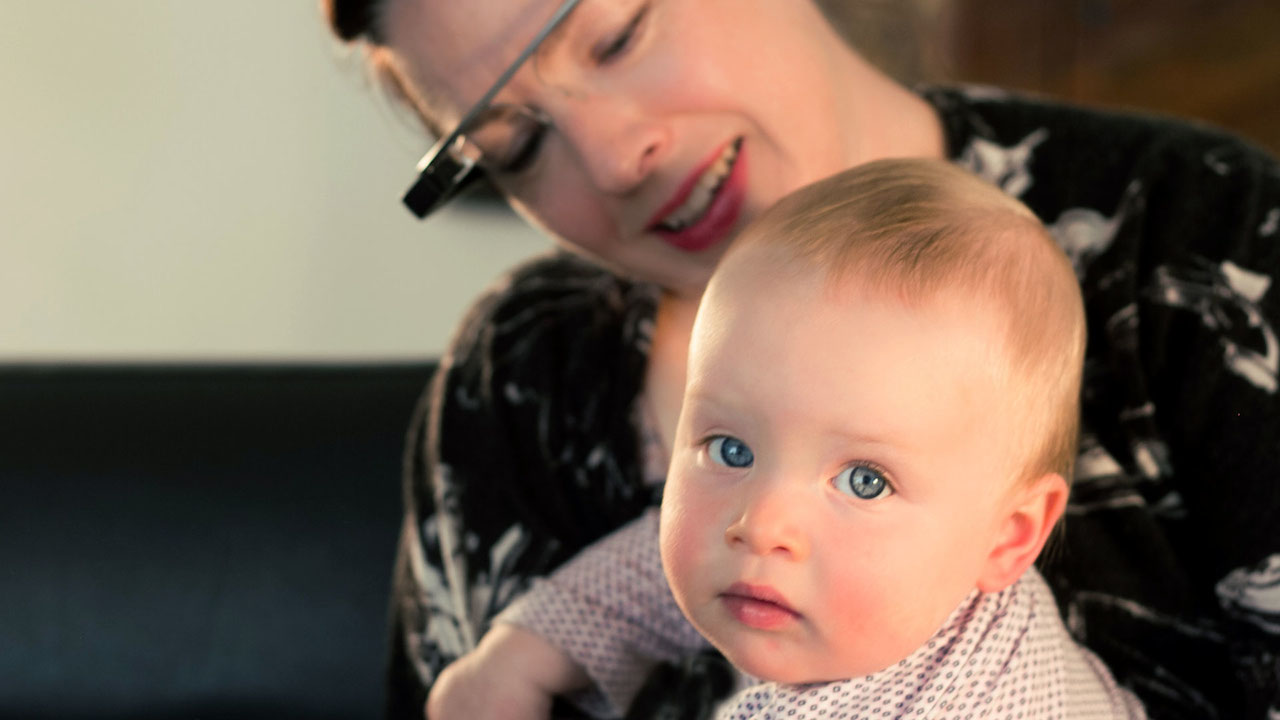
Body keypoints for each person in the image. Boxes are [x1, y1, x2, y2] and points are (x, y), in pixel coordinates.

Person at [320, 0, 1280, 717]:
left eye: (615, 36)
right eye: (515, 144)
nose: (615, 156)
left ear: (1015, 531)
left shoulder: (1214, 243)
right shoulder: (515, 385)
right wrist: (528, 647)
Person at [427, 158, 1149, 719]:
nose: (761, 524)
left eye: (864, 480)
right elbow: (654, 563)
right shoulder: (896, 585)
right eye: (731, 450)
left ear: (1008, 538)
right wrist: (522, 655)